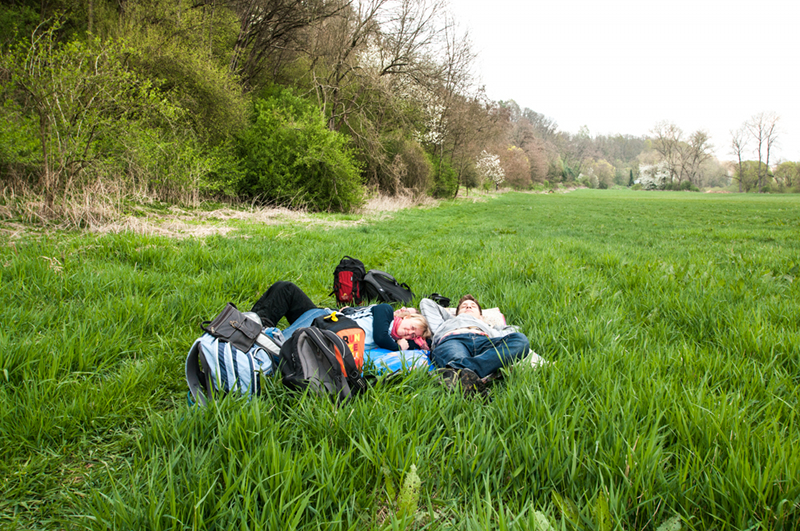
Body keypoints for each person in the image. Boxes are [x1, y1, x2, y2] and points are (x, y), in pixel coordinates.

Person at [250, 281, 430, 352]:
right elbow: (381, 337)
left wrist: (416, 342)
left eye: (413, 335)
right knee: (286, 289)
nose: (409, 333)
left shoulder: (394, 333)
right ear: (407, 317)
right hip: (325, 317)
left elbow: (425, 347)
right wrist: (399, 347)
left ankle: (254, 331)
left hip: (324, 328)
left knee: (276, 344)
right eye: (412, 327)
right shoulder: (386, 311)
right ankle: (255, 326)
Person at [419, 294, 530, 395]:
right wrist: (452, 317)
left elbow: (516, 330)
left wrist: (491, 326)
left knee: (521, 341)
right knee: (454, 357)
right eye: (464, 306)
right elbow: (426, 302)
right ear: (457, 313)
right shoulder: (448, 322)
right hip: (453, 339)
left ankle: (460, 373)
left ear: (481, 316)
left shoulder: (489, 327)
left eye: (473, 306)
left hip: (484, 341)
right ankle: (471, 378)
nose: (468, 307)